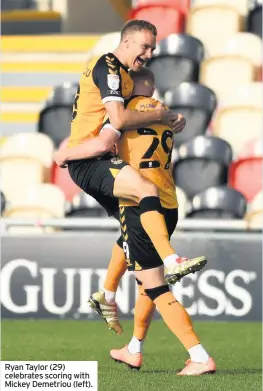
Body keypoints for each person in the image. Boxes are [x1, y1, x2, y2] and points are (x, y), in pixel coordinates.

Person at [56, 68, 214, 376]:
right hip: (167, 205)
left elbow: (102, 144)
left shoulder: (126, 114)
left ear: (129, 87)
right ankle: (133, 347)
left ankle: (199, 355)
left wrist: (65, 154)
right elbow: (171, 124)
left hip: (139, 202)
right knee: (140, 274)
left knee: (154, 287)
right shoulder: (162, 112)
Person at [54, 19, 206, 287]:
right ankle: (170, 261)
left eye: (152, 50)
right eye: (145, 47)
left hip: (96, 155)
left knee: (137, 223)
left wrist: (170, 116)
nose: (149, 55)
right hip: (88, 158)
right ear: (127, 41)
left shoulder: (124, 77)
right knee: (147, 191)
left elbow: (125, 120)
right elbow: (120, 120)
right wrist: (66, 154)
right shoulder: (109, 67)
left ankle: (109, 295)